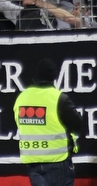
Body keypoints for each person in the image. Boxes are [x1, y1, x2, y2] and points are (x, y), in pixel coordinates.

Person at [14, 58, 82, 186]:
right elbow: (77, 124)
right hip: (57, 161)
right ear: (54, 77)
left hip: (32, 162)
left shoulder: (22, 98)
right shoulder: (58, 98)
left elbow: (19, 124)